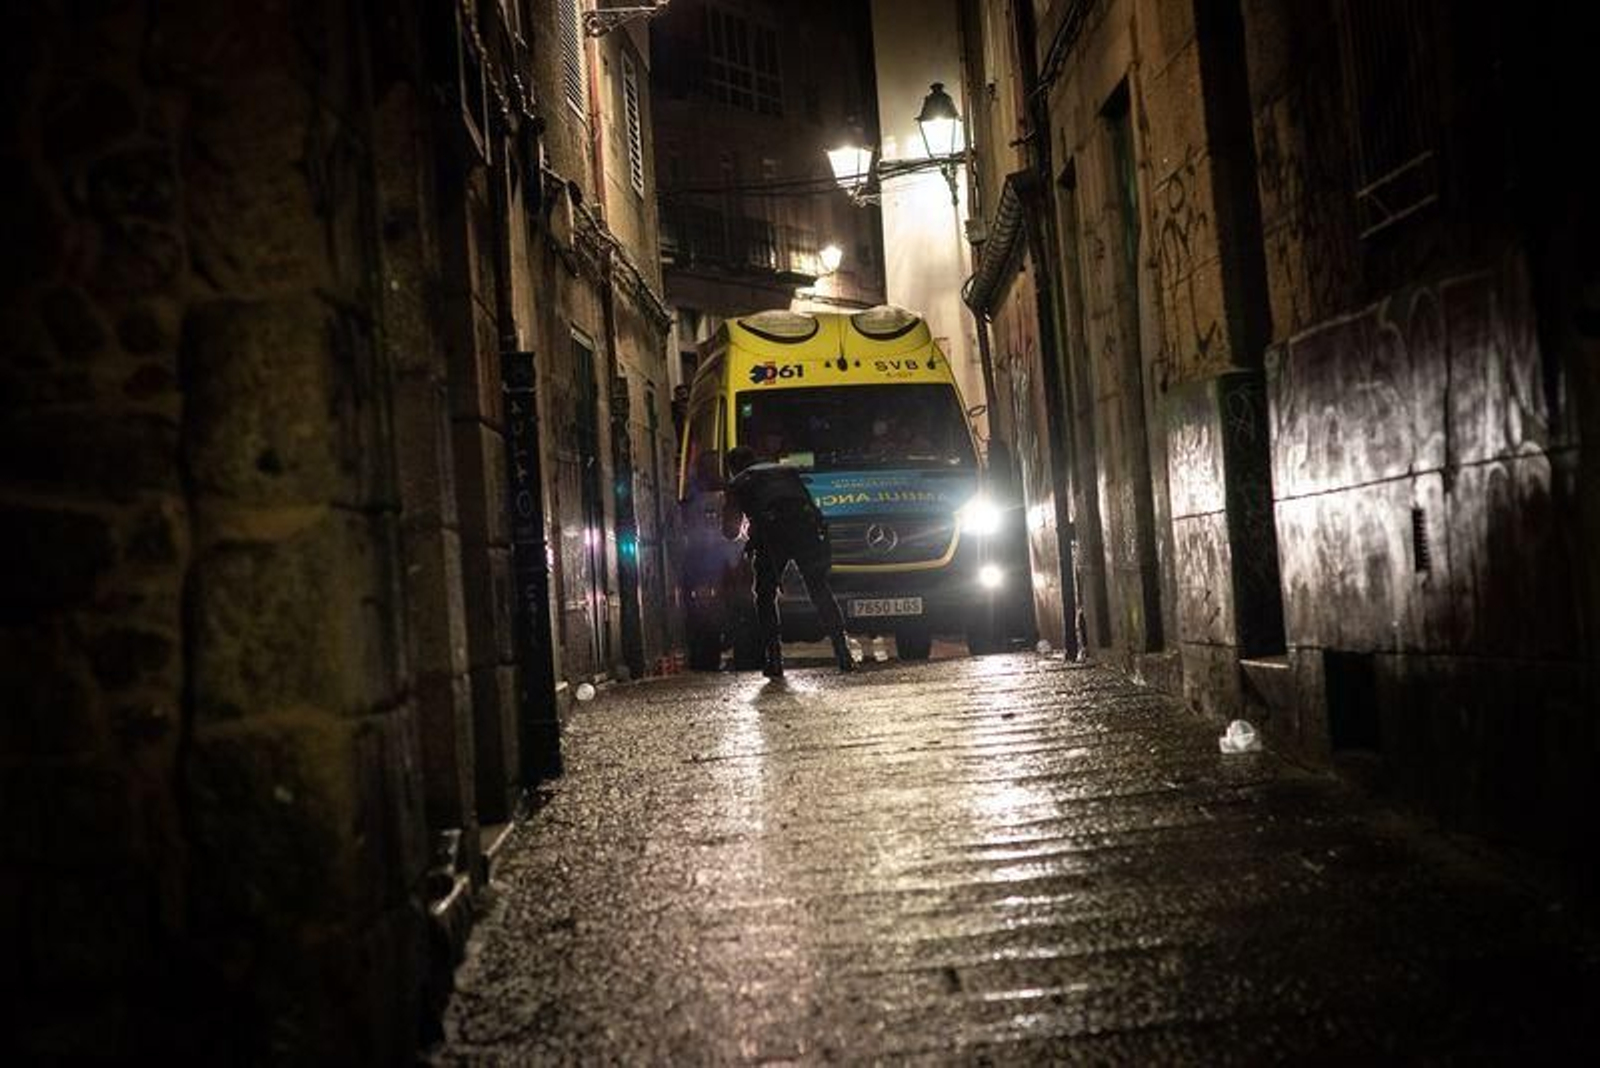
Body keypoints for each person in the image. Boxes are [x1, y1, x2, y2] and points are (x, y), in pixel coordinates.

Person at [721, 445, 855, 677]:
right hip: (807, 529)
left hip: (774, 535)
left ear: (733, 468)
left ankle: (774, 659)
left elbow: (731, 531)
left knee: (765, 594)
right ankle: (843, 653)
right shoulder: (785, 471)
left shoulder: (739, 481)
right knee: (819, 589)